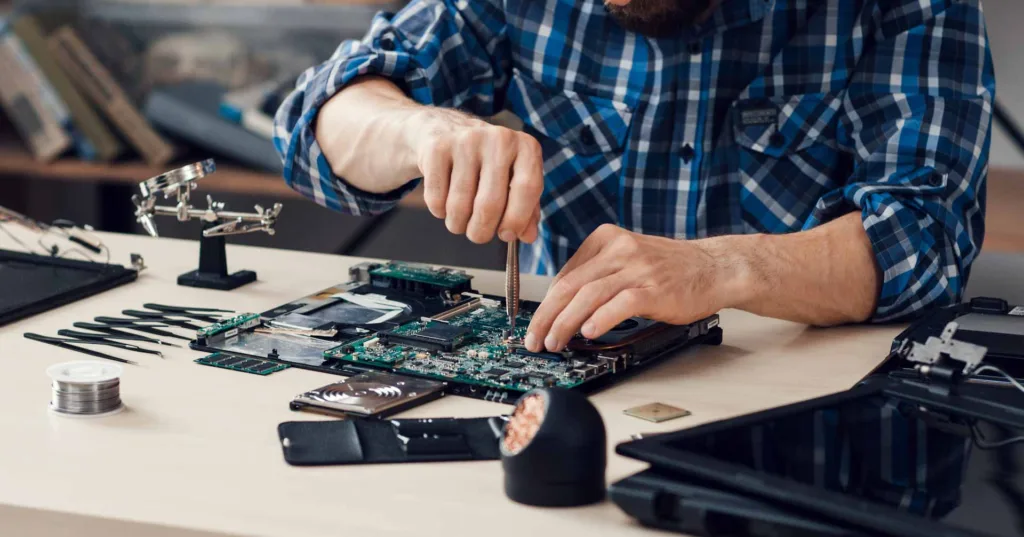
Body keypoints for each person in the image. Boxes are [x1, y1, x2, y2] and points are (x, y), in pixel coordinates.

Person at [273, 0, 994, 354]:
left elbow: (927, 238)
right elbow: (310, 124)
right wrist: (419, 128)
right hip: (574, 391)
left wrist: (723, 266)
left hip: (804, 411)